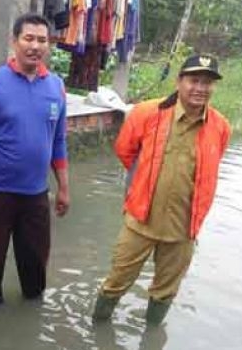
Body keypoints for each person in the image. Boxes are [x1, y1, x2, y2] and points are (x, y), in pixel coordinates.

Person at [92, 54, 231, 325]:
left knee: (165, 292)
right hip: (139, 223)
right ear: (179, 81)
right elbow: (125, 151)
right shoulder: (146, 113)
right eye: (194, 80)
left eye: (207, 82)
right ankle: (97, 330)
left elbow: (208, 170)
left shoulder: (220, 127)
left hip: (183, 230)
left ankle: (152, 335)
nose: (200, 88)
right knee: (116, 282)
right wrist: (143, 183)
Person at [0, 13, 70, 307]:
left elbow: (59, 140)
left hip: (36, 195)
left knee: (35, 268)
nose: (35, 46)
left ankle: (30, 317)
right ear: (14, 42)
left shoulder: (57, 88)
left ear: (49, 45)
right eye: (29, 38)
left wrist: (63, 187)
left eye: (42, 40)